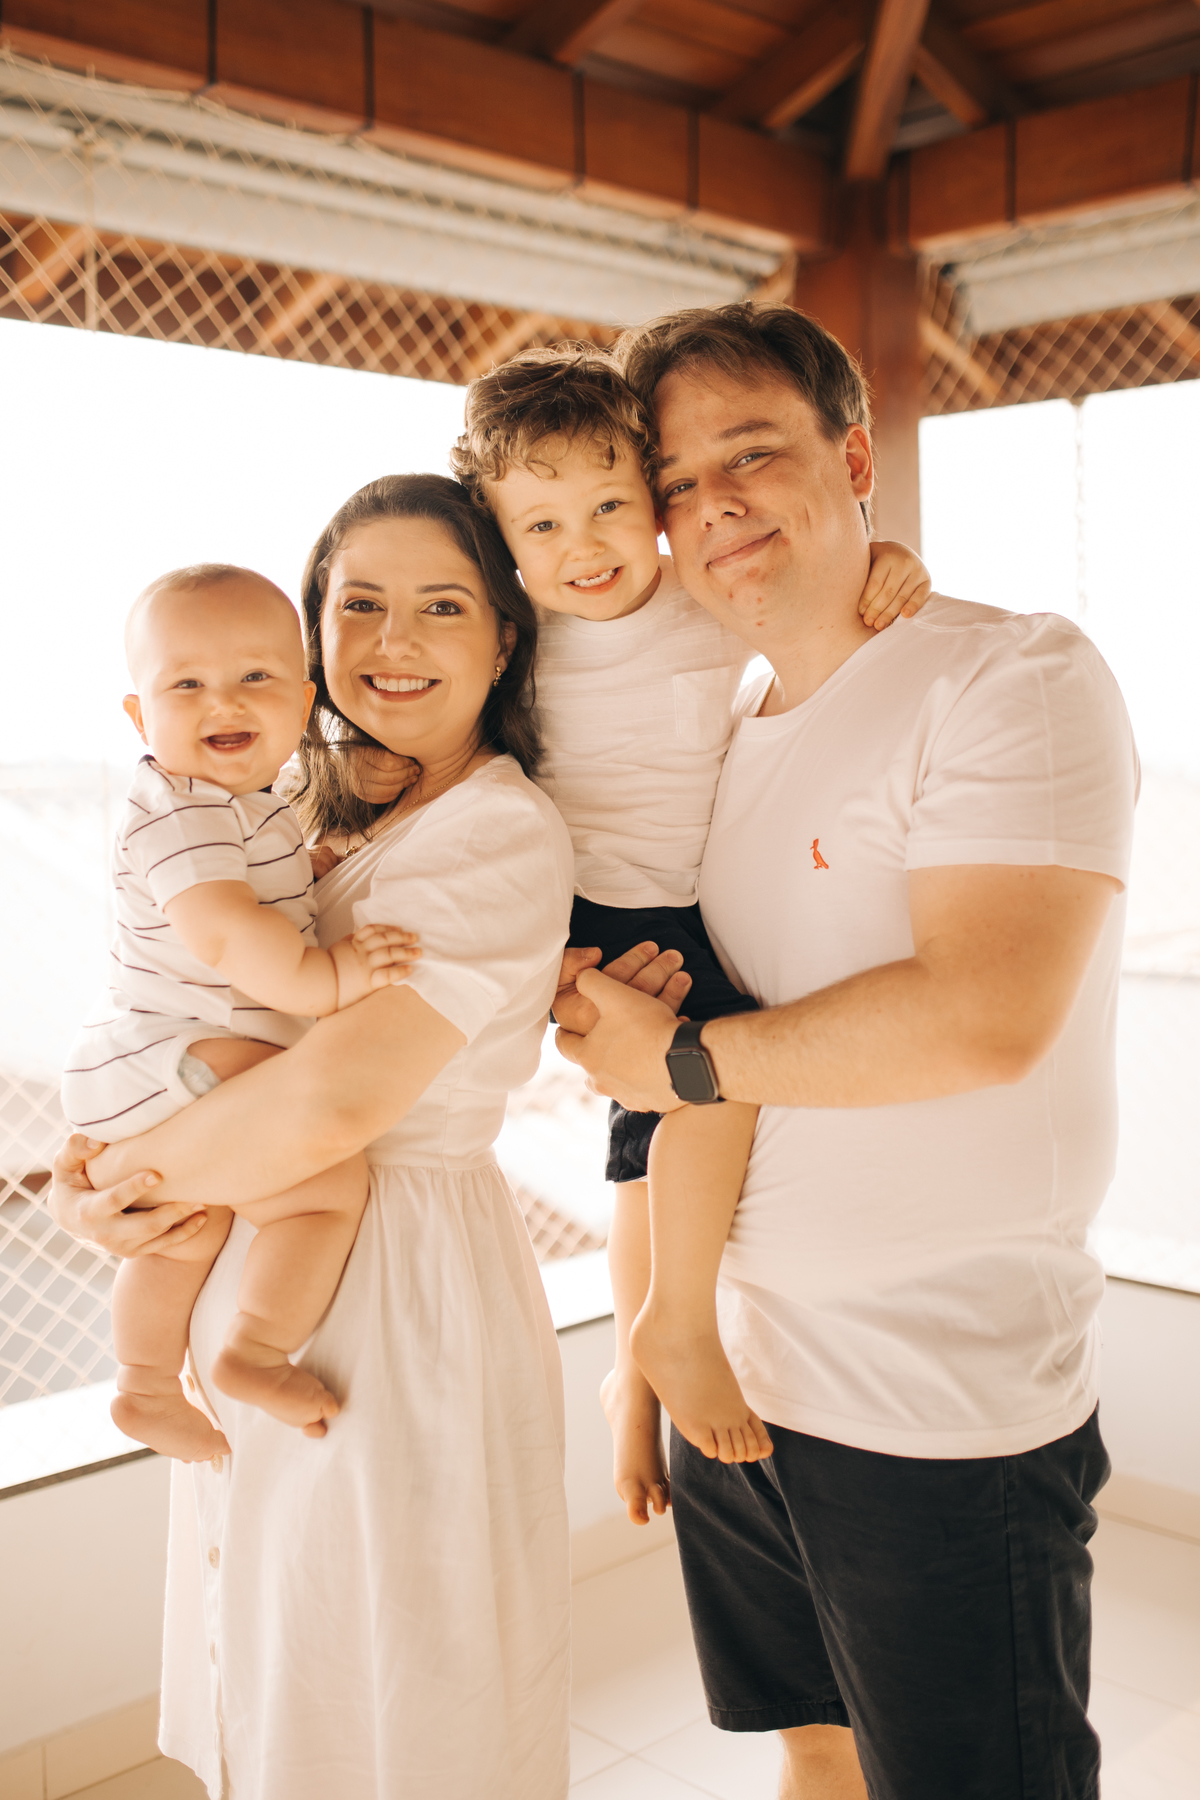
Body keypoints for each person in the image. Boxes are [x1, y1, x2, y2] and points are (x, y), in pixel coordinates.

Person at [554, 303, 1138, 1800]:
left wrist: (685, 1061)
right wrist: (647, 1347)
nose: (714, 503)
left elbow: (985, 1014)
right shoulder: (716, 722)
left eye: (753, 453)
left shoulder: (1007, 675)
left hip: (933, 1406)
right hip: (736, 1375)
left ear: (857, 457)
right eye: (675, 483)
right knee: (811, 1750)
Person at [48, 473, 592, 1800]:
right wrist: (95, 1197)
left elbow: (331, 1107)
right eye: (359, 604)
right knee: (292, 1674)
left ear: (505, 637)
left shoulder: (494, 831)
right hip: (260, 1244)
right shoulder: (303, 812)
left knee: (396, 1694)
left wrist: (114, 1177)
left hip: (394, 1284)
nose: (393, 640)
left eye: (442, 605)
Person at [449, 347, 931, 1518]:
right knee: (711, 1085)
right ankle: (674, 1324)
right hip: (590, 918)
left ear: (653, 503)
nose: (585, 546)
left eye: (611, 506)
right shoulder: (518, 640)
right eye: (543, 525)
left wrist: (889, 562)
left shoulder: (700, 604)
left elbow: (809, 603)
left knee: (643, 1151)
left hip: (692, 902)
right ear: (501, 543)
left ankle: (634, 1387)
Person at [61, 566, 418, 1460]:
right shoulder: (180, 812)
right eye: (186, 684)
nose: (222, 700)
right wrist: (329, 977)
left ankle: (145, 1385)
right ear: (141, 718)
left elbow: (262, 891)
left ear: (301, 703)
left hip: (158, 1063)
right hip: (176, 1048)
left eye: (254, 676)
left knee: (187, 1229)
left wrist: (315, 873)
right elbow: (225, 932)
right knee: (324, 1189)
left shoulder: (239, 805)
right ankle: (254, 1349)